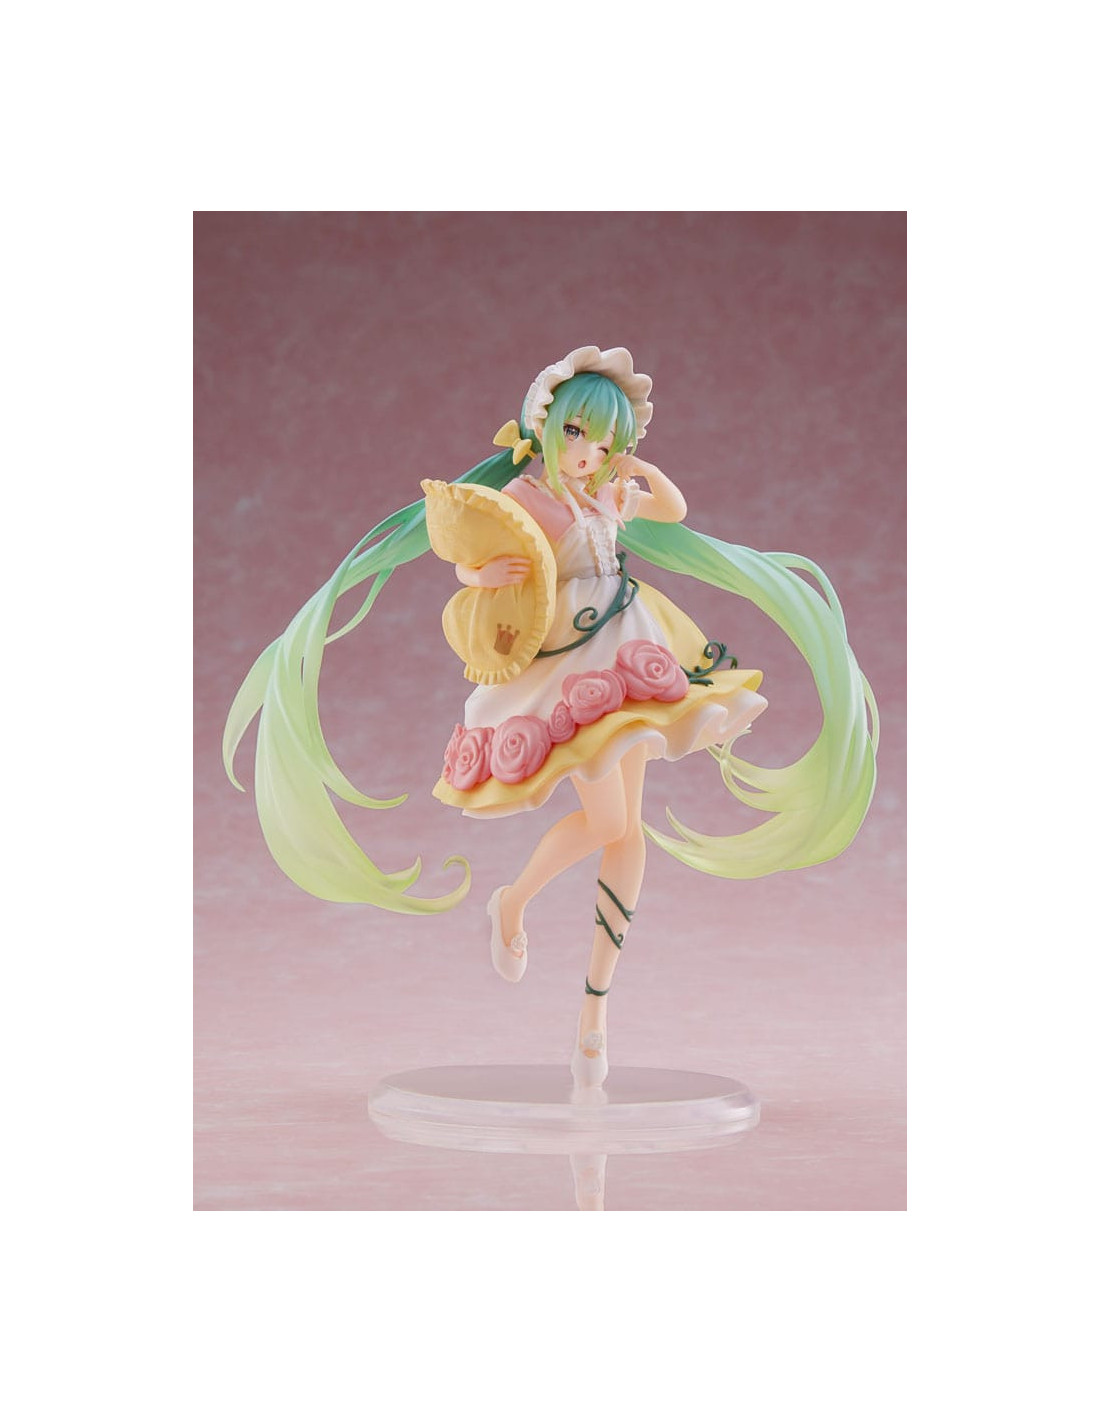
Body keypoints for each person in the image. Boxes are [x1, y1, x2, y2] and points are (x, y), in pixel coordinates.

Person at [224, 346, 879, 1087]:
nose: (588, 453)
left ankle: (594, 1017)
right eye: (577, 434)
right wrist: (478, 573)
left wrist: (637, 469)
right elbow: (465, 550)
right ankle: (513, 901)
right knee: (610, 823)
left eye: (605, 442)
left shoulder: (607, 497)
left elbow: (672, 509)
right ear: (544, 427)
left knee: (626, 834)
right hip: (569, 661)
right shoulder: (526, 497)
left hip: (631, 647)